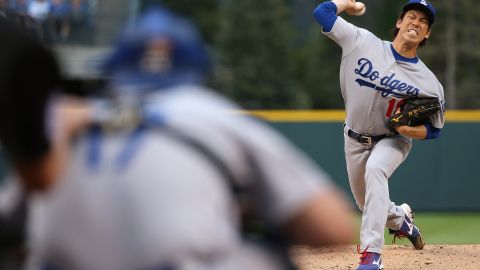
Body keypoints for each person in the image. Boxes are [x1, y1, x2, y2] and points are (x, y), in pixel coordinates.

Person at [0, 6, 355, 270]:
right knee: (273, 256)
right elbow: (335, 227)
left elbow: (9, 222)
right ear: (198, 68)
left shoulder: (66, 122)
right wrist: (246, 212)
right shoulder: (212, 115)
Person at [313, 0, 445, 269]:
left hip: (392, 140)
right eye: (411, 16)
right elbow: (322, 13)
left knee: (375, 170)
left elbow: (434, 129)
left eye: (423, 22)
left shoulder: (429, 82)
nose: (416, 23)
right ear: (399, 22)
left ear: (427, 34)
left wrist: (410, 130)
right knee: (368, 203)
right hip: (353, 137)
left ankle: (372, 255)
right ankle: (401, 220)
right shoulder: (362, 41)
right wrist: (347, 4)